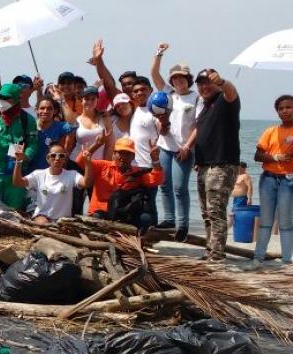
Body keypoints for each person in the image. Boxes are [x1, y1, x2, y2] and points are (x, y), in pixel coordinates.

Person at [191, 68, 242, 260]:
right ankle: (210, 249)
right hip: (204, 166)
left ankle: (217, 254)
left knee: (216, 211)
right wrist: (198, 161)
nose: (204, 86)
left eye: (207, 82)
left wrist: (221, 82)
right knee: (206, 212)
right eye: (200, 83)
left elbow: (231, 91)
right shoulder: (204, 107)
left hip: (222, 165)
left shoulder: (224, 100)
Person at [151, 43, 199, 234]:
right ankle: (169, 219)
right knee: (164, 185)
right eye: (175, 78)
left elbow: (199, 125)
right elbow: (154, 73)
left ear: (188, 79)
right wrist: (159, 54)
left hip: (184, 148)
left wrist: (188, 146)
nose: (179, 81)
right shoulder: (169, 94)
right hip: (165, 146)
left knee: (180, 188)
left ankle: (183, 224)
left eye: (182, 78)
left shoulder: (196, 97)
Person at [253, 95, 293, 264]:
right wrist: (275, 157)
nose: (285, 111)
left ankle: (286, 260)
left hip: (288, 180)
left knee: (285, 222)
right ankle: (258, 257)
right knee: (266, 221)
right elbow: (258, 155)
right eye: (281, 108)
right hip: (268, 178)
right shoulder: (270, 131)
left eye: (289, 107)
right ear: (277, 112)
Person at [78, 137, 164, 232]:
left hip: (124, 214)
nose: (123, 157)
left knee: (146, 219)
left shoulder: (137, 173)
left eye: (127, 154)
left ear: (133, 157)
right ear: (114, 154)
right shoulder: (102, 166)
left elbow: (157, 180)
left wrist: (155, 160)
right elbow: (80, 162)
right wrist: (96, 144)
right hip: (101, 212)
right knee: (96, 217)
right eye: (120, 153)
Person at [11, 144, 85, 223]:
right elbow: (17, 182)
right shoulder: (38, 174)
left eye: (61, 156)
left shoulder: (72, 174)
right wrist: (18, 161)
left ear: (65, 159)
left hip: (64, 221)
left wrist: (88, 164)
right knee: (43, 223)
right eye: (53, 155)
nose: (57, 158)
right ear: (47, 159)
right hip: (43, 217)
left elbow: (86, 183)